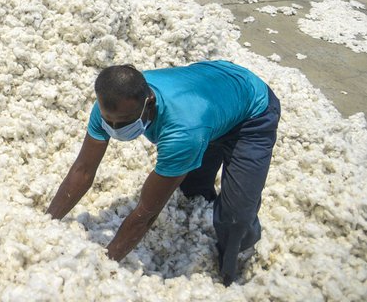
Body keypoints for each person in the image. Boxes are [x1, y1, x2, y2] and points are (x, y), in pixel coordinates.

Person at [46, 60, 281, 285]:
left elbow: (146, 214)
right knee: (192, 190)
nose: (116, 129)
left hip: (252, 113)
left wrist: (103, 265)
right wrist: (47, 223)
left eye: (125, 121)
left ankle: (231, 267)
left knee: (237, 217)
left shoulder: (183, 132)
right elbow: (83, 170)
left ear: (149, 102)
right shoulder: (110, 104)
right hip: (210, 94)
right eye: (111, 122)